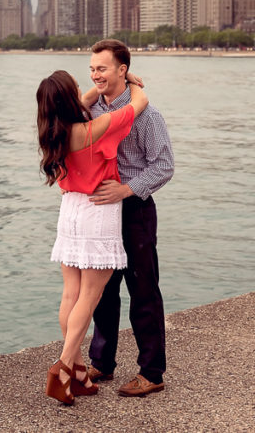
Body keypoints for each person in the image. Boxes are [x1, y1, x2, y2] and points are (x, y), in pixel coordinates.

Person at [36, 69, 149, 405]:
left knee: (71, 294)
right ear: (69, 96)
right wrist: (130, 82)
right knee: (91, 295)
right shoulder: (89, 129)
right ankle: (63, 367)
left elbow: (83, 98)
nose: (83, 89)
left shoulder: (52, 130)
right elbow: (137, 106)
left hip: (69, 212)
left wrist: (87, 90)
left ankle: (81, 374)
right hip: (98, 210)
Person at [86, 38, 174, 397]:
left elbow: (164, 166)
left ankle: (151, 372)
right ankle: (102, 364)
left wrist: (125, 190)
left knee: (143, 292)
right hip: (101, 214)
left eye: (102, 68)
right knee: (102, 292)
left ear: (122, 70)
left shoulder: (147, 115)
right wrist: (99, 90)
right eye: (92, 69)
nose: (95, 75)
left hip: (135, 210)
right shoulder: (91, 111)